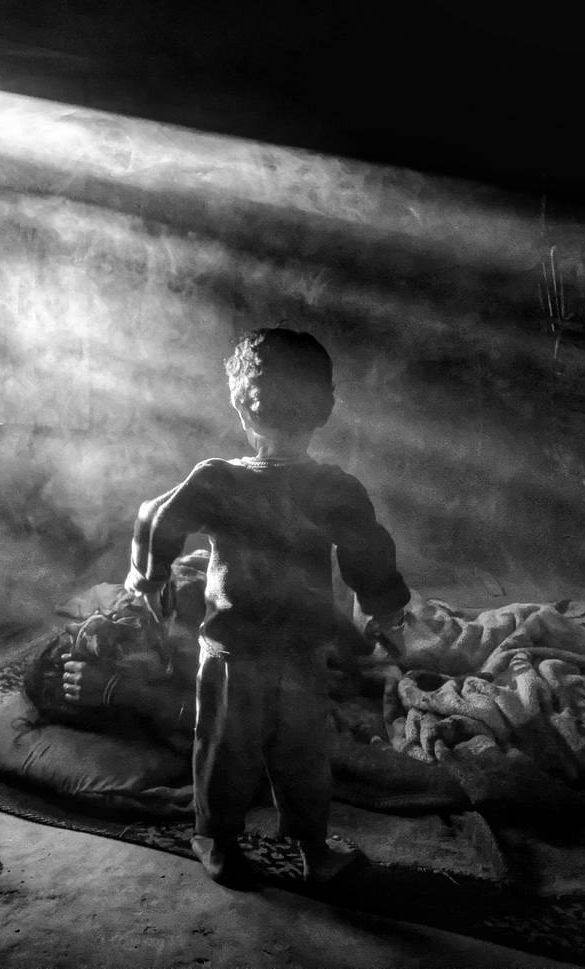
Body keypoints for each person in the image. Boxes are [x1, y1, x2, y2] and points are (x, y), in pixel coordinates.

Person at [122, 327, 412, 889]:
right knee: (304, 754)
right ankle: (312, 850)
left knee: (225, 751)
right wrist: (386, 613)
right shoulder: (336, 487)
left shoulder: (217, 480)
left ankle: (217, 842)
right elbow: (370, 556)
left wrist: (150, 580)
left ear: (240, 406)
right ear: (326, 409)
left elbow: (155, 517)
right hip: (300, 648)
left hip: (233, 651)